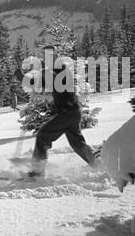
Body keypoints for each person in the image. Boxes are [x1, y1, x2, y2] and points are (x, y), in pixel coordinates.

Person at [14, 45, 99, 177]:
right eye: (45, 55)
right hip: (72, 112)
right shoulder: (53, 70)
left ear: (55, 56)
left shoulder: (59, 70)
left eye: (49, 55)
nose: (46, 58)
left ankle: (37, 172)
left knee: (43, 136)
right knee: (77, 144)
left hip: (68, 112)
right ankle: (98, 165)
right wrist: (22, 77)